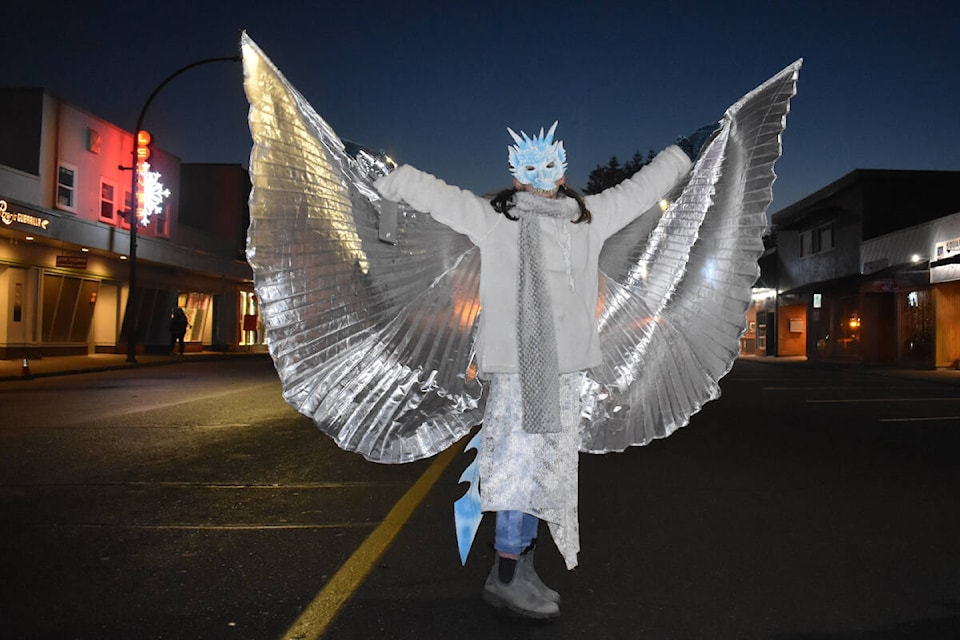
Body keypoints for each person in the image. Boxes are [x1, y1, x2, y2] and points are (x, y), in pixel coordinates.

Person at [374, 121, 717, 618]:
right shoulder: (495, 219)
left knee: (548, 474)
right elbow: (434, 193)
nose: (539, 178)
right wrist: (388, 176)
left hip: (565, 371)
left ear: (561, 172)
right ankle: (507, 574)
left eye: (549, 168)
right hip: (516, 372)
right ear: (516, 178)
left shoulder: (588, 218)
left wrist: (685, 150)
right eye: (528, 171)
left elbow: (642, 188)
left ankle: (521, 567)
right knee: (518, 470)